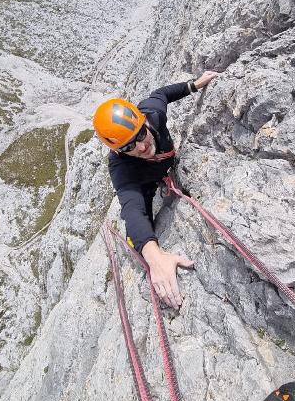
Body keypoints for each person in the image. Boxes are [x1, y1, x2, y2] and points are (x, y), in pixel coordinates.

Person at [93, 71, 219, 309]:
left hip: (165, 167)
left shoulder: (153, 115)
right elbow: (132, 210)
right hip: (146, 186)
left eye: (140, 134)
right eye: (129, 146)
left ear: (142, 121)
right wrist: (156, 258)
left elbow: (161, 93)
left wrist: (193, 85)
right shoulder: (121, 167)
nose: (141, 145)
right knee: (140, 236)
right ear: (119, 151)